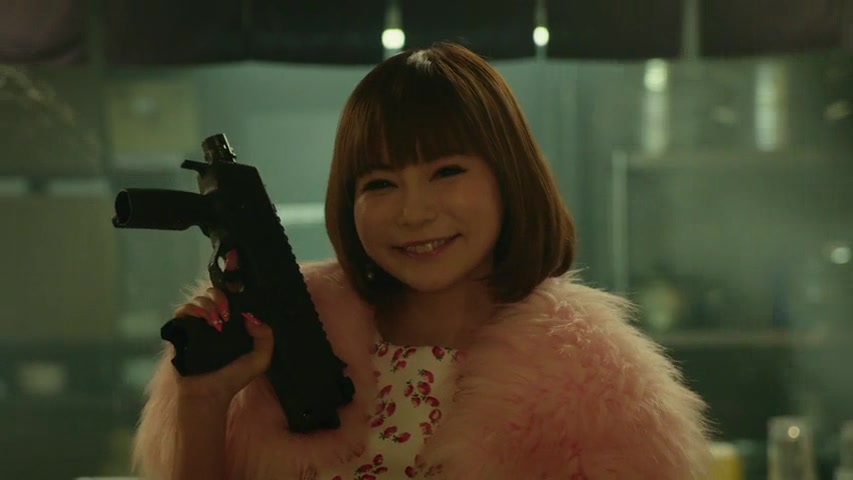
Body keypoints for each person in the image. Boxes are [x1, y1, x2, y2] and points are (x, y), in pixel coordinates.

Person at [132, 42, 712, 480]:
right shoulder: (279, 337)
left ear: (509, 179)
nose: (413, 212)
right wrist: (204, 400)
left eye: (446, 171)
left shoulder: (602, 391)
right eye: (380, 183)